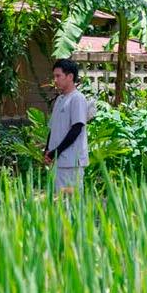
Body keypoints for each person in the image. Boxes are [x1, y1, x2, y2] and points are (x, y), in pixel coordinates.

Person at [44, 58, 94, 193]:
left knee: (71, 206)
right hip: (58, 162)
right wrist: (47, 150)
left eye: (58, 76)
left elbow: (77, 128)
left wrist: (57, 151)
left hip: (72, 162)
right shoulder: (60, 99)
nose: (55, 79)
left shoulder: (77, 98)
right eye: (54, 76)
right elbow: (52, 128)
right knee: (58, 204)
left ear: (70, 76)